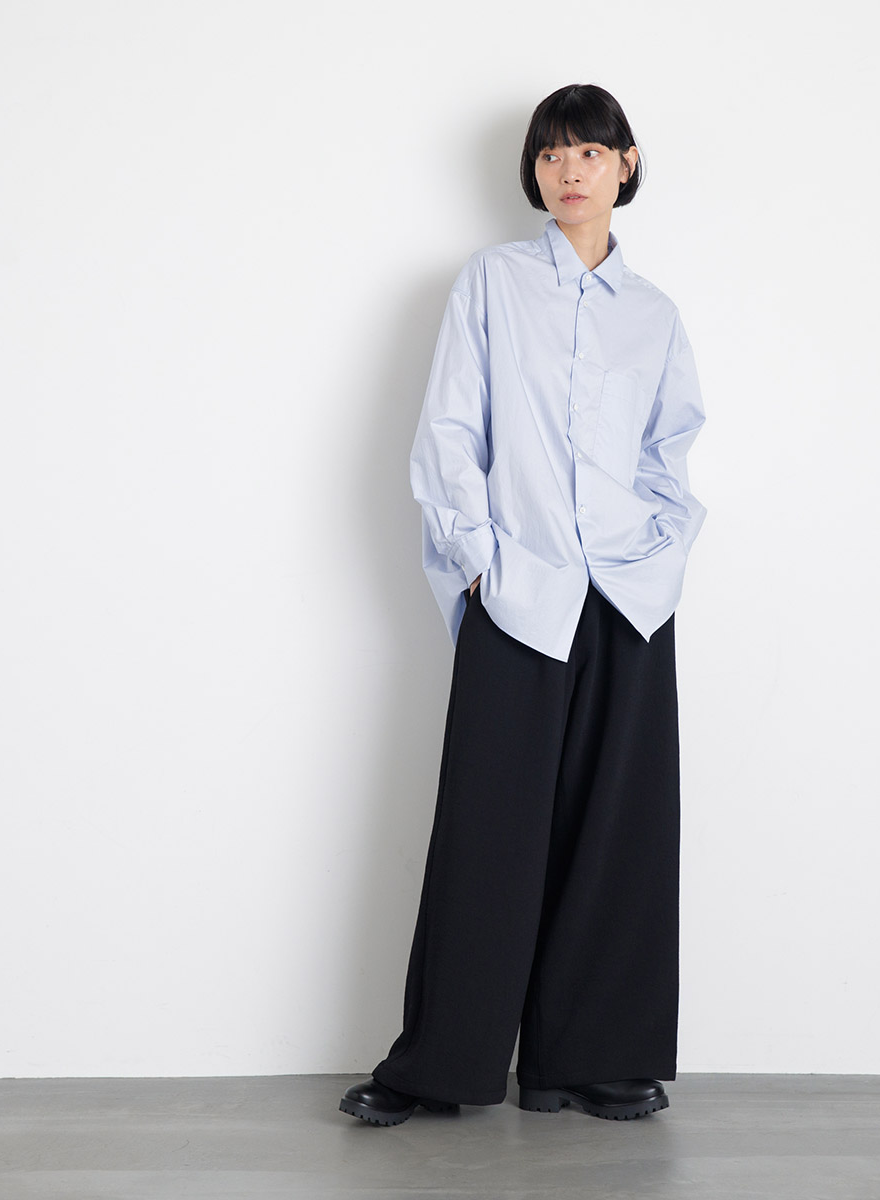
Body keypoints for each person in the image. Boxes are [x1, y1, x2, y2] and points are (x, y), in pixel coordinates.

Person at [339, 82, 708, 1126]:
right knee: (486, 836)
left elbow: (670, 452)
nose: (568, 170)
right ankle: (441, 1068)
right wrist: (476, 560)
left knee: (619, 836)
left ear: (625, 164)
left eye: (589, 151)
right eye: (551, 153)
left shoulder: (654, 316)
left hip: (628, 599)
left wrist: (662, 555)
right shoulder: (492, 284)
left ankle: (586, 1062)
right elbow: (450, 429)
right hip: (519, 591)